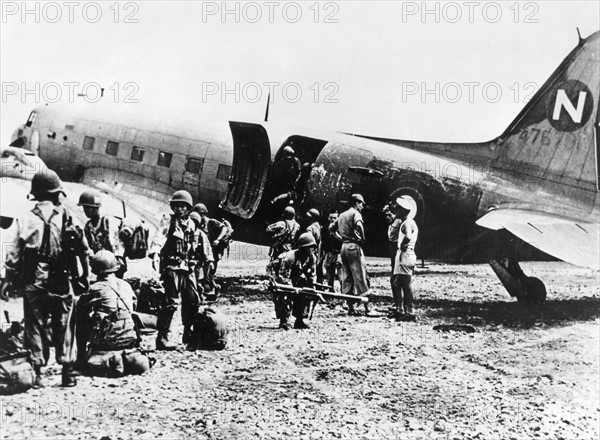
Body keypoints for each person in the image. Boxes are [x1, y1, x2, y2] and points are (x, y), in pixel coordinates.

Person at [5, 169, 89, 387]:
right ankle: (67, 371)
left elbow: (13, 254)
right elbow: (82, 248)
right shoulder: (69, 216)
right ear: (56, 194)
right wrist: (83, 275)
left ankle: (38, 372)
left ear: (36, 194)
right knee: (65, 321)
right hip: (62, 274)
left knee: (35, 323)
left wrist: (8, 278)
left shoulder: (24, 218)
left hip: (33, 276)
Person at [150, 190, 201, 350]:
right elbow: (160, 236)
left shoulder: (192, 224)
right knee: (170, 302)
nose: (179, 209)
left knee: (192, 300)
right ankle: (162, 338)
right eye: (176, 206)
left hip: (188, 268)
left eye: (183, 206)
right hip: (172, 267)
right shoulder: (168, 221)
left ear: (188, 209)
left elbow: (193, 245)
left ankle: (188, 332)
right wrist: (155, 253)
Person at [76, 250, 140, 373]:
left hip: (107, 341)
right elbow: (134, 307)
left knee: (80, 319)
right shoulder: (126, 285)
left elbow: (80, 310)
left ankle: (80, 359)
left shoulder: (95, 288)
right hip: (129, 339)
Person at [329, 193, 370, 316]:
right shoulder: (355, 213)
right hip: (353, 246)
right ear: (356, 203)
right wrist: (361, 237)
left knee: (347, 277)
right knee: (360, 275)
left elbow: (331, 228)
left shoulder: (341, 215)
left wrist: (340, 238)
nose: (362, 206)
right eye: (361, 204)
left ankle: (350, 307)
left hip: (344, 247)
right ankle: (368, 307)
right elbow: (359, 225)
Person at [270, 232, 318, 330]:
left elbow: (311, 275)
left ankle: (300, 319)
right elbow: (283, 276)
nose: (311, 250)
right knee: (284, 293)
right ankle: (284, 320)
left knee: (307, 292)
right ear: (302, 248)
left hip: (295, 276)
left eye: (312, 247)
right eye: (308, 247)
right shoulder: (290, 257)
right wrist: (293, 288)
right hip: (277, 274)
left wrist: (312, 288)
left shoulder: (312, 258)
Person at [78, 190, 126, 276]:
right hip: (100, 264)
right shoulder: (88, 226)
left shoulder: (107, 221)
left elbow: (116, 241)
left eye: (87, 208)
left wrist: (119, 258)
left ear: (95, 208)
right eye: (84, 208)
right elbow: (88, 246)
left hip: (113, 262)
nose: (85, 211)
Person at [392, 196, 419, 320]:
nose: (396, 210)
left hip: (405, 254)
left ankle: (409, 311)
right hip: (405, 254)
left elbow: (408, 235)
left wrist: (403, 245)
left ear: (404, 211)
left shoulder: (408, 223)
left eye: (398, 208)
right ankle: (401, 309)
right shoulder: (407, 222)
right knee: (398, 283)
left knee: (405, 284)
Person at [188, 211, 216, 301]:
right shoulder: (185, 232)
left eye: (195, 222)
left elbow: (207, 248)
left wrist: (210, 261)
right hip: (185, 262)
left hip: (197, 263)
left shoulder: (201, 234)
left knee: (196, 281)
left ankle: (198, 297)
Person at [384, 204, 403, 317]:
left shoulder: (399, 222)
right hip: (392, 248)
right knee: (393, 278)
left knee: (396, 278)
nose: (387, 217)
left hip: (397, 248)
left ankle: (399, 304)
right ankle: (396, 302)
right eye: (386, 215)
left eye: (390, 214)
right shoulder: (391, 224)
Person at [320, 210, 342, 291]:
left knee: (341, 276)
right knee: (329, 276)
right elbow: (322, 243)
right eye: (331, 218)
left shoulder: (341, 228)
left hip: (339, 254)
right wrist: (321, 255)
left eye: (335, 218)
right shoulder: (324, 229)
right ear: (328, 218)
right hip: (329, 254)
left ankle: (344, 295)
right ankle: (330, 292)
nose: (333, 220)